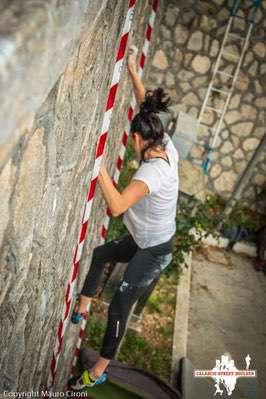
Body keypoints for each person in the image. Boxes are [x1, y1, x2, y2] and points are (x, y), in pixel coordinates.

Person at [70, 46, 179, 390]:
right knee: (101, 255)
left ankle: (99, 370)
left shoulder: (152, 174)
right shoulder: (164, 142)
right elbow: (145, 102)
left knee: (120, 302)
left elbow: (116, 206)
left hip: (155, 250)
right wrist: (132, 68)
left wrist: (98, 165)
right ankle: (83, 306)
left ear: (136, 139)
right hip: (145, 238)